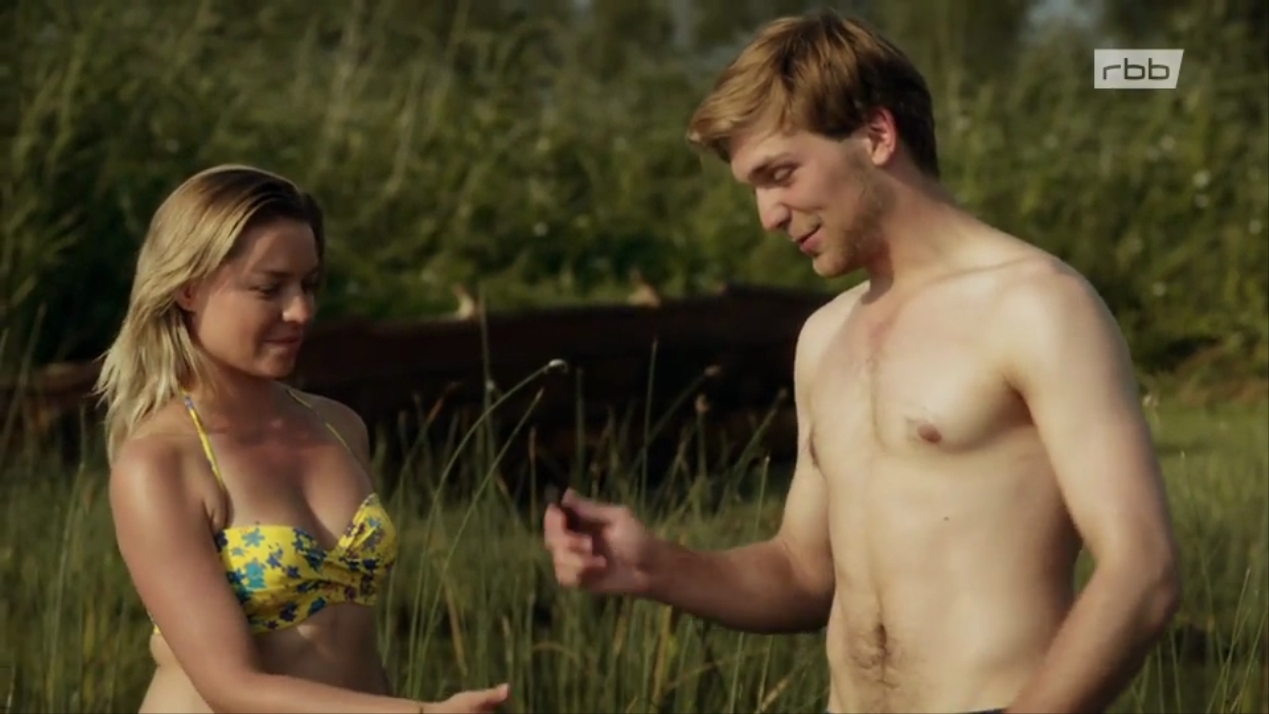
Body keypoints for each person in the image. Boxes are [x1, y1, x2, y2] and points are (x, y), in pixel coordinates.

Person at [542, 10, 1181, 714]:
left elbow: (1141, 570)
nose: (767, 216)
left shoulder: (1036, 306)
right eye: (754, 188)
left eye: (780, 174)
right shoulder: (825, 336)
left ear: (876, 135)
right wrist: (655, 566)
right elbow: (802, 573)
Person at [98, 165, 510, 714]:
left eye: (309, 285)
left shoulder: (338, 427)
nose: (301, 311)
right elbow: (231, 686)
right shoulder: (161, 463)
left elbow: (355, 646)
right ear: (188, 289)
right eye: (269, 288)